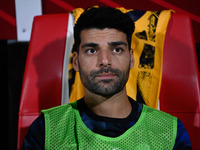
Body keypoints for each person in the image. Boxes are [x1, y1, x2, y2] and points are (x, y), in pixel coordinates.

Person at [22, 6, 192, 149]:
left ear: (131, 58)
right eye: (92, 50)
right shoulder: (47, 130)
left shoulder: (170, 132)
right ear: (76, 61)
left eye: (117, 49)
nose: (104, 61)